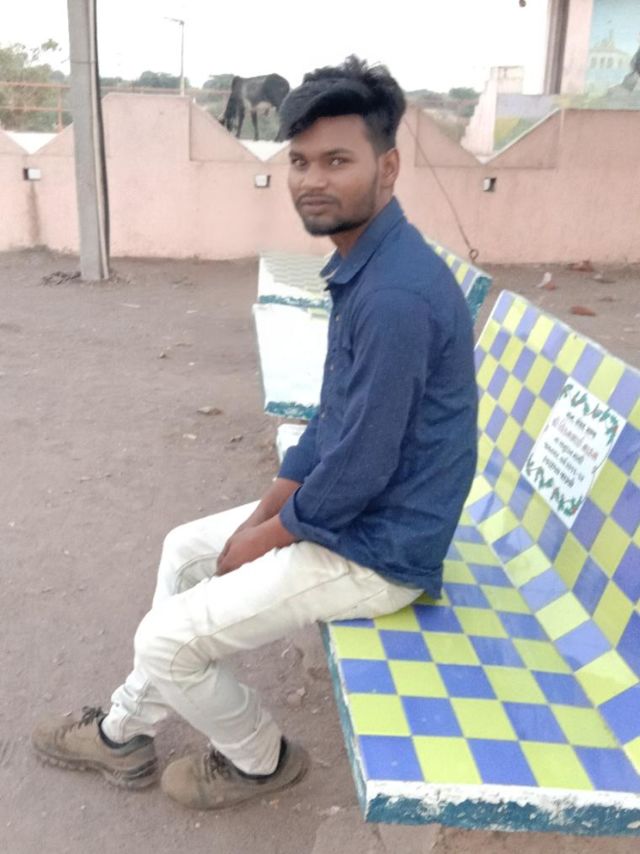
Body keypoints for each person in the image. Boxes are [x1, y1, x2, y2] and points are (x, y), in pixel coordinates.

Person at [32, 56, 478, 811]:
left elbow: (362, 465)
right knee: (185, 549)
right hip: (357, 512)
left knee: (166, 639)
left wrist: (266, 537)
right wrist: (264, 513)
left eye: (337, 160)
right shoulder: (368, 264)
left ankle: (261, 761)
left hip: (382, 549)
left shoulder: (395, 295)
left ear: (388, 167)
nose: (312, 179)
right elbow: (333, 419)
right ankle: (123, 732)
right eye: (300, 161)